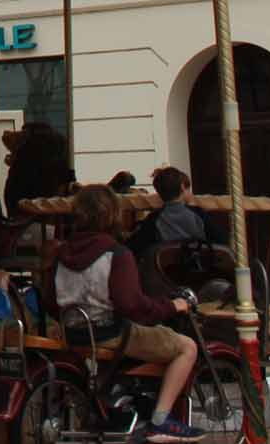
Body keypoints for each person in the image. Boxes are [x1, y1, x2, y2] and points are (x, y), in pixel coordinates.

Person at [53, 184, 202, 442]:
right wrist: (170, 306)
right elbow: (131, 305)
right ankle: (161, 421)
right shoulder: (117, 254)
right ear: (112, 214)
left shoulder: (61, 253)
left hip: (73, 332)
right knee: (186, 347)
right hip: (109, 333)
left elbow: (49, 299)